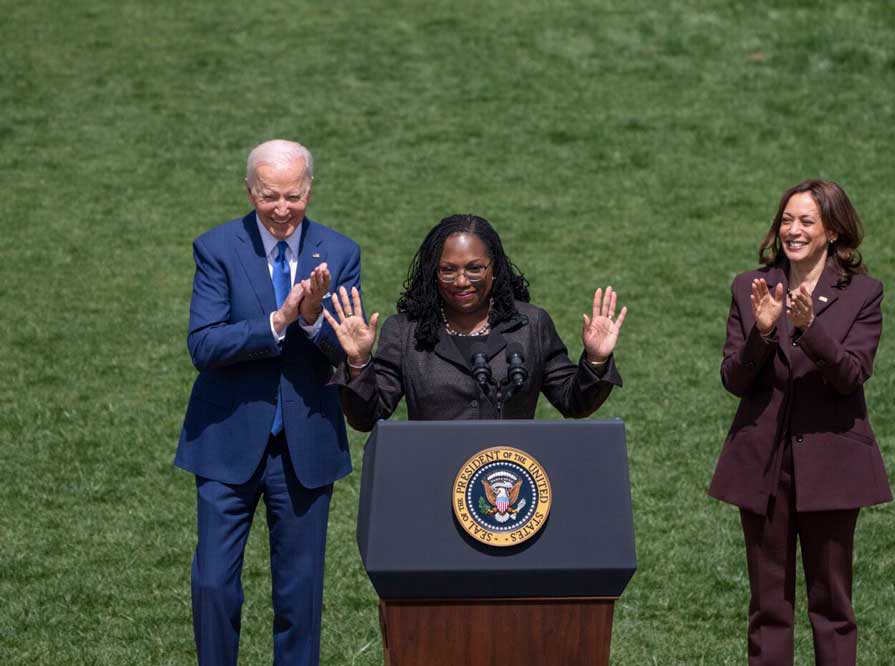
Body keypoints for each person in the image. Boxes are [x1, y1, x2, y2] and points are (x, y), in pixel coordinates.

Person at [175, 139, 360, 666]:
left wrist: (311, 318)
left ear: (310, 190)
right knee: (213, 585)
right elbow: (203, 344)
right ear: (250, 190)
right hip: (227, 441)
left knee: (300, 596)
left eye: (294, 196)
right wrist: (278, 321)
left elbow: (342, 349)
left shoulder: (341, 253)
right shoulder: (216, 248)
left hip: (306, 445)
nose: (282, 209)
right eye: (269, 196)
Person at [709, 179, 892, 665]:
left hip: (833, 468)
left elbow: (851, 375)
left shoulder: (863, 294)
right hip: (764, 467)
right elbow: (733, 378)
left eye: (806, 221)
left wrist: (810, 330)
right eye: (787, 219)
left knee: (831, 606)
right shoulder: (750, 286)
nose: (793, 230)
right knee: (768, 607)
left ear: (831, 231)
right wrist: (763, 332)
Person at [321, 213, 626, 428]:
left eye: (474, 268)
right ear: (433, 274)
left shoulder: (530, 325)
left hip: (511, 487)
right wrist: (359, 361)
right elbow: (366, 417)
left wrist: (596, 360)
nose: (461, 281)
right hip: (434, 481)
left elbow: (574, 402)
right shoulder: (405, 332)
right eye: (448, 270)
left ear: (494, 269)